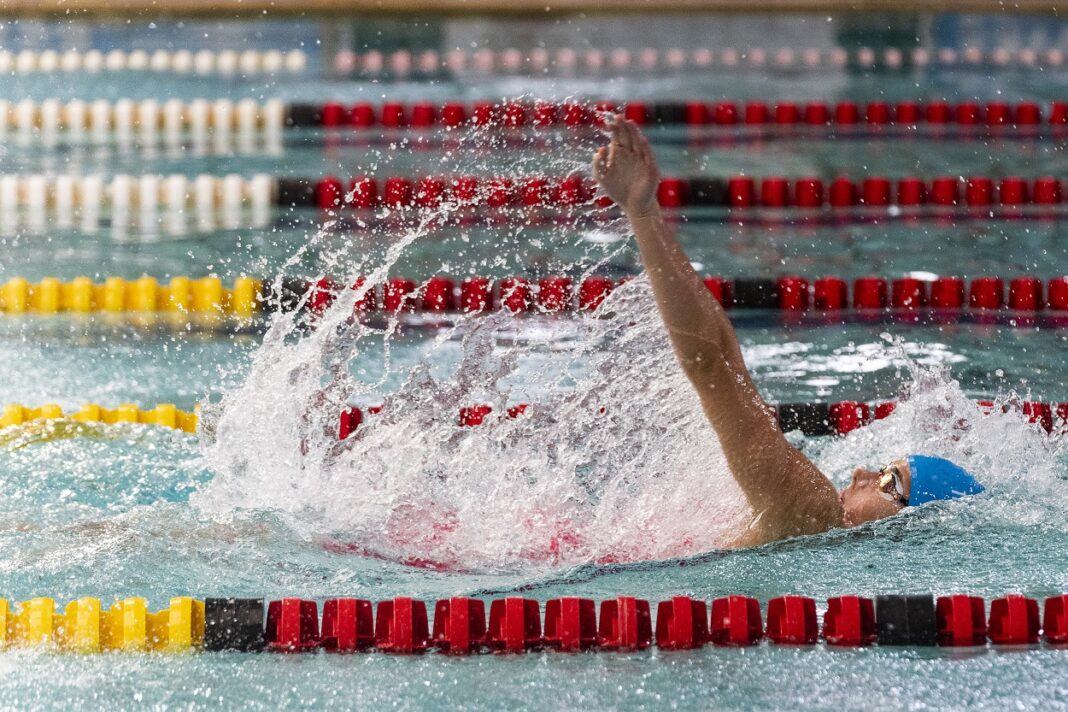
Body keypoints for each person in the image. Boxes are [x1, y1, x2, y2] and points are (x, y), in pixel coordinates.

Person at [592, 117, 984, 547]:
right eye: (882, 469)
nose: (861, 473)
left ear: (907, 523)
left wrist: (643, 213)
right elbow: (723, 355)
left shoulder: (815, 514)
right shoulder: (819, 529)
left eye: (889, 481)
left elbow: (710, 365)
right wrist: (643, 210)